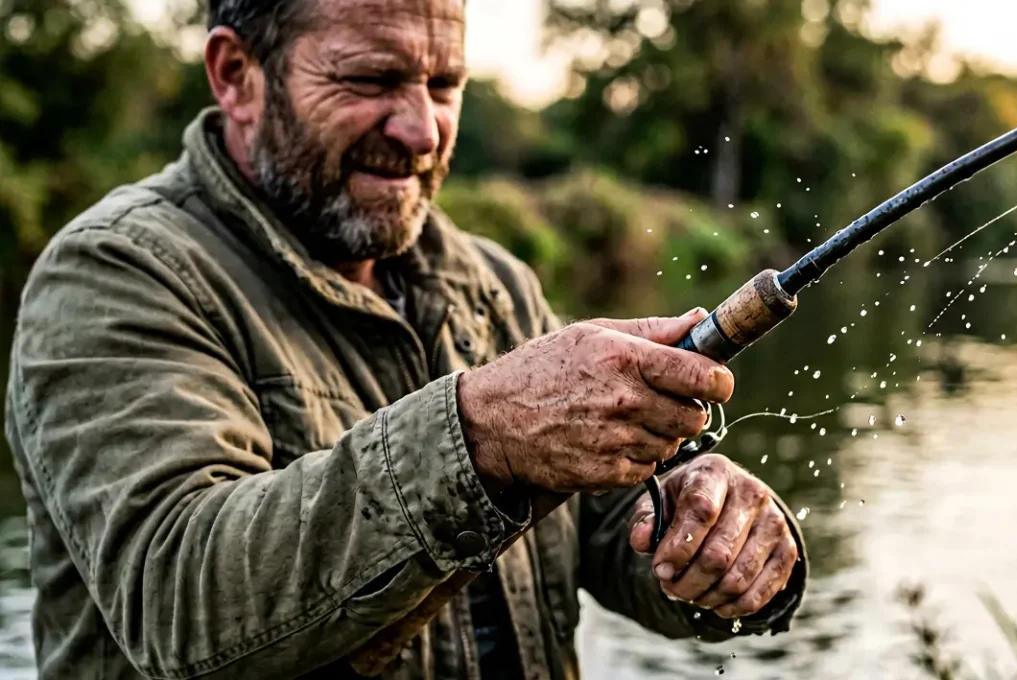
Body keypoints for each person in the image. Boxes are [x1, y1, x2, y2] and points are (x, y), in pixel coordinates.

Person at [2, 0, 809, 677]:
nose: (422, 129)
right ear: (236, 76)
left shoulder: (493, 281)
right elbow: (178, 598)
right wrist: (483, 435)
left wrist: (726, 538)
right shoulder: (113, 273)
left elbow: (612, 532)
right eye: (372, 79)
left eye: (445, 83)